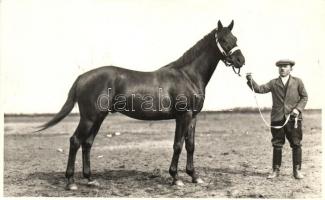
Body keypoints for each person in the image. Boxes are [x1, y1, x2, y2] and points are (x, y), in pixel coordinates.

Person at [246, 59, 308, 179]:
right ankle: (275, 171)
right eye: (280, 67)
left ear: (291, 68)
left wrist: (297, 109)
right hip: (277, 119)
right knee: (277, 144)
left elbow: (304, 97)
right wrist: (250, 80)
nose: (282, 69)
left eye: (285, 66)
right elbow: (259, 89)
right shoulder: (273, 83)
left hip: (293, 119)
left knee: (296, 144)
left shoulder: (298, 82)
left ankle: (297, 171)